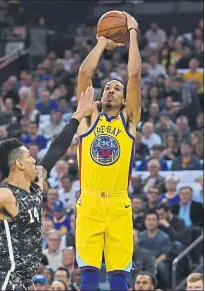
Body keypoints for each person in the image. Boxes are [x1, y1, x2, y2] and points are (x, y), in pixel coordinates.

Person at [0, 88, 98, 291]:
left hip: (23, 280)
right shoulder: (4, 194)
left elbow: (55, 150)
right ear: (19, 164)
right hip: (4, 279)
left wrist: (77, 117)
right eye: (29, 156)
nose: (34, 160)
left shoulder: (36, 182)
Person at [75, 12, 141, 291]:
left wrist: (133, 32)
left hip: (118, 202)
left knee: (118, 274)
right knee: (88, 273)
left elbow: (134, 73)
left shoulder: (130, 119)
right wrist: (102, 41)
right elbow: (84, 73)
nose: (111, 91)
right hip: (89, 200)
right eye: (107, 88)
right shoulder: (88, 116)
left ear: (125, 99)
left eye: (117, 89)